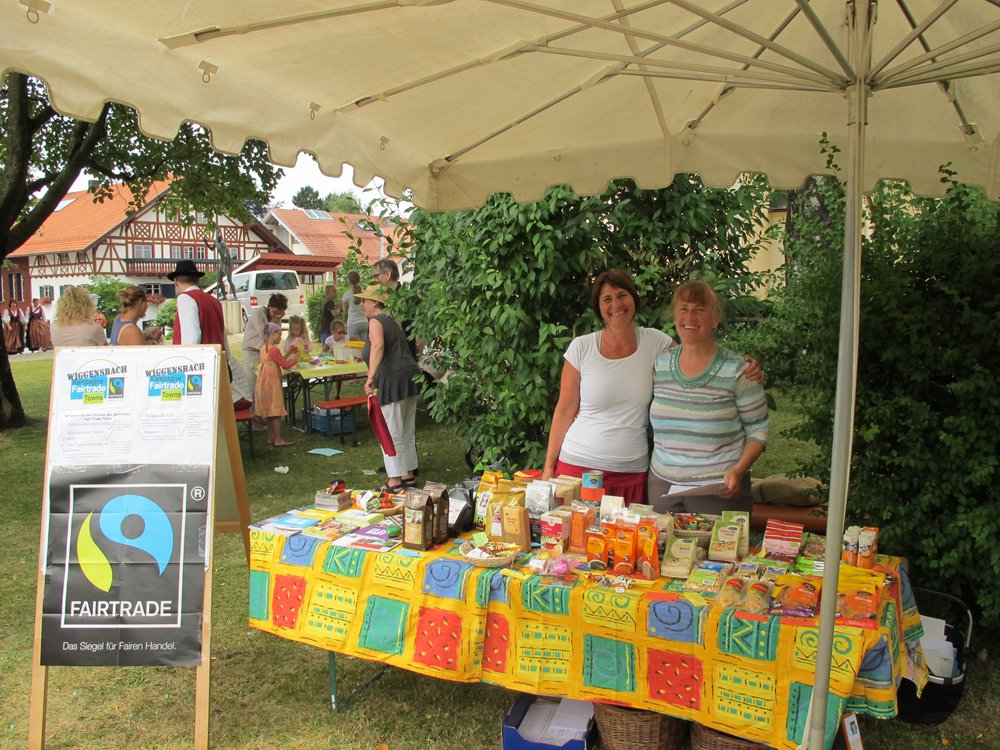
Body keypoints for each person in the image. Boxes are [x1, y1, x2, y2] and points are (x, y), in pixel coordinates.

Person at [542, 269, 762, 505]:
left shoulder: (656, 343)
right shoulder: (581, 347)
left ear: (633, 298)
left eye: (622, 295)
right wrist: (548, 468)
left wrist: (745, 366)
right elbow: (564, 411)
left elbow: (696, 354)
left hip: (631, 472)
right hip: (576, 465)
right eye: (607, 299)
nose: (616, 304)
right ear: (598, 308)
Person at [648, 281, 769, 516]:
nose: (689, 317)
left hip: (719, 490)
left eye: (699, 309)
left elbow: (758, 430)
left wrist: (738, 471)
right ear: (674, 315)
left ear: (714, 319)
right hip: (662, 487)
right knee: (660, 542)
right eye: (683, 308)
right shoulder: (660, 363)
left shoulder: (738, 370)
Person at [358, 284, 421, 491]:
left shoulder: (376, 321)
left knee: (391, 430)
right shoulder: (393, 318)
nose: (362, 304)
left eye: (365, 300)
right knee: (406, 429)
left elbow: (378, 346)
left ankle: (394, 479)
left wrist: (370, 377)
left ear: (375, 303)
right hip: (409, 375)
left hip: (393, 379)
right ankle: (408, 473)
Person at [242, 293, 288, 429]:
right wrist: (274, 321)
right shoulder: (258, 313)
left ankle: (260, 416)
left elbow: (276, 335)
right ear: (270, 306)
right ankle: (253, 418)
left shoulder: (275, 318)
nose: (277, 314)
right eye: (275, 311)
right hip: (252, 350)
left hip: (265, 352)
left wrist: (277, 320)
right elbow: (264, 333)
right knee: (252, 385)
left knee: (263, 386)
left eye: (280, 312)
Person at [256, 322, 297, 447]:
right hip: (272, 383)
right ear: (272, 334)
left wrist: (289, 352)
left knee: (270, 411)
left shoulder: (264, 347)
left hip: (264, 382)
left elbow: (279, 359)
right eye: (279, 334)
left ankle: (270, 437)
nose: (280, 337)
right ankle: (278, 439)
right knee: (276, 411)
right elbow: (284, 364)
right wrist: (297, 359)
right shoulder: (274, 349)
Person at [372, 259, 417, 358]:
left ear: (388, 275)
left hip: (405, 354)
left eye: (375, 276)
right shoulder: (384, 297)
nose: (373, 280)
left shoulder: (406, 297)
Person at [340, 270, 368, 343]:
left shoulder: (347, 295)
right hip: (365, 323)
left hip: (353, 323)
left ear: (349, 281)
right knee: (365, 346)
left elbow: (345, 312)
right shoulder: (365, 293)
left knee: (354, 347)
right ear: (359, 279)